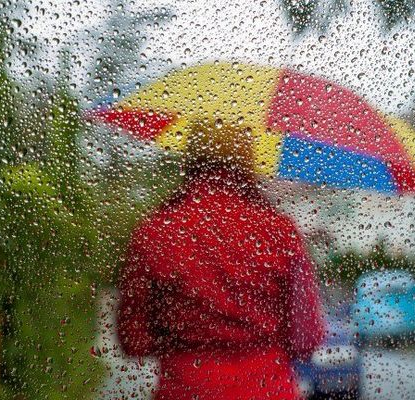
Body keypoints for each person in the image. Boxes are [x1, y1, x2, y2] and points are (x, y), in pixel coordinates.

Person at [117, 122, 325, 400]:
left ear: (190, 158)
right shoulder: (281, 233)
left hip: (186, 389)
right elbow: (306, 339)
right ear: (249, 160)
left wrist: (183, 333)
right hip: (268, 390)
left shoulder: (155, 233)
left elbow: (134, 341)